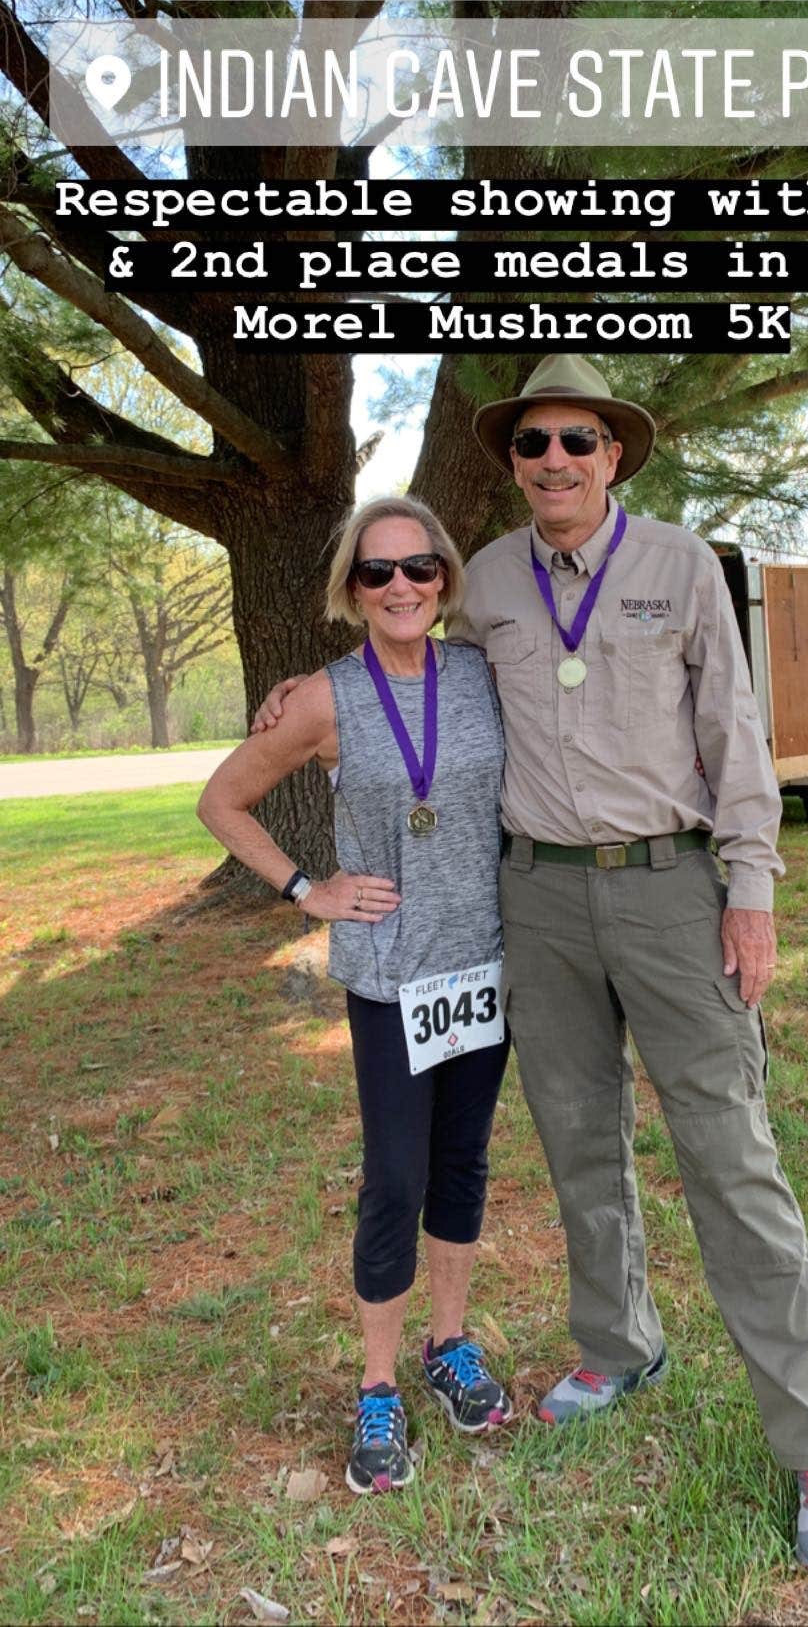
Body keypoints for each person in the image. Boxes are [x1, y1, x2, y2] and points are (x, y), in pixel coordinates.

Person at [255, 358, 808, 1575]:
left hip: (667, 887)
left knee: (729, 1156)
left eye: (576, 440)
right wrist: (306, 693)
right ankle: (616, 1340)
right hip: (529, 895)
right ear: (515, 459)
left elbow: (733, 735)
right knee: (579, 1138)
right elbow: (404, 652)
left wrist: (749, 888)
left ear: (613, 454)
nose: (553, 459)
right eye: (532, 442)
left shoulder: (680, 567)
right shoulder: (482, 580)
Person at [198, 495, 512, 1497]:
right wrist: (306, 891)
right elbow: (221, 799)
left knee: (463, 1160)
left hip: (484, 963)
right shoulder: (322, 698)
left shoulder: (481, 671)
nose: (401, 585)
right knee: (396, 1175)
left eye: (419, 565)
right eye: (377, 572)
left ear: (444, 575)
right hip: (390, 974)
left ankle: (449, 1342)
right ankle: (377, 1381)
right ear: (350, 588)